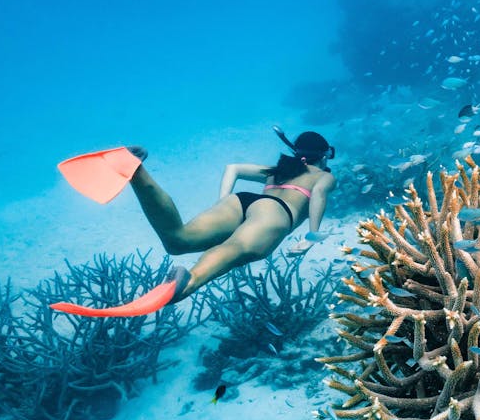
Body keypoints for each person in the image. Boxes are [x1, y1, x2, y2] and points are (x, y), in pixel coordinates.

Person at [49, 127, 335, 317]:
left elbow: (232, 168)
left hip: (241, 200)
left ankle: (136, 171)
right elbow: (319, 194)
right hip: (276, 212)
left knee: (178, 239)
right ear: (323, 157)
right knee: (234, 248)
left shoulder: (278, 170)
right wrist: (311, 235)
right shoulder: (323, 175)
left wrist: (222, 201)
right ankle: (186, 284)